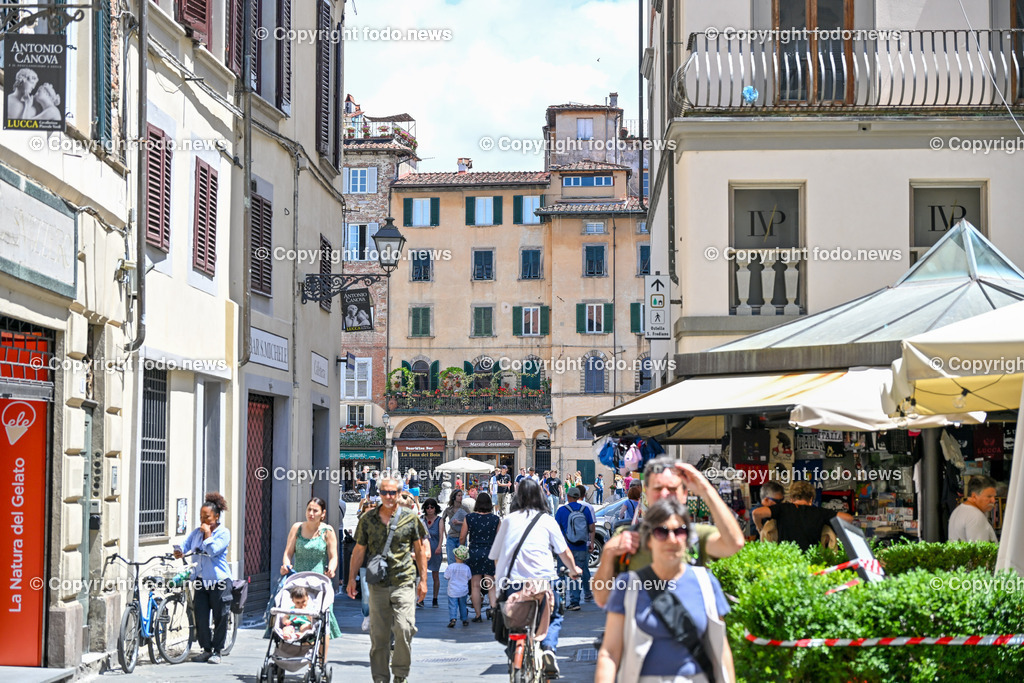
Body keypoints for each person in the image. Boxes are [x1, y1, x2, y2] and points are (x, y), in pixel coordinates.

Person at [596, 498, 735, 683]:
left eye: (679, 531)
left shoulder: (706, 583)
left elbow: (721, 648)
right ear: (649, 540)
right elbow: (610, 653)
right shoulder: (627, 586)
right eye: (662, 532)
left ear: (687, 538)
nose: (671, 539)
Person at [594, 458, 745, 608]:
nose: (665, 495)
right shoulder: (626, 537)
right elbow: (602, 598)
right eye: (658, 489)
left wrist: (706, 490)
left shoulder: (696, 536)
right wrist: (608, 554)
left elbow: (734, 543)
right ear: (646, 493)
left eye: (672, 489)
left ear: (684, 494)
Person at [490, 478, 583, 678]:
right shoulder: (547, 520)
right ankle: (548, 648)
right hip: (543, 582)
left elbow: (497, 557)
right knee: (556, 614)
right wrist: (574, 569)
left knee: (513, 619)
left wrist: (498, 585)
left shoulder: (507, 521)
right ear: (541, 496)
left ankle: (516, 650)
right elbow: (563, 551)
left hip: (514, 584)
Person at [347, 476, 428, 683]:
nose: (389, 496)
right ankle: (381, 678)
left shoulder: (410, 518)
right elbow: (358, 551)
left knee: (404, 628)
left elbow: (420, 550)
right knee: (379, 637)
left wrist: (423, 581)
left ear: (399, 494)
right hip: (379, 584)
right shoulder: (368, 519)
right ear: (379, 494)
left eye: (393, 493)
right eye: (384, 492)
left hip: (404, 581)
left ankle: (400, 675)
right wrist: (351, 579)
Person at [280, 497, 342, 651]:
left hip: (319, 582)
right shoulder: (297, 528)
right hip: (298, 579)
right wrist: (286, 565)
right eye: (309, 509)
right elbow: (288, 552)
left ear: (323, 513)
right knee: (292, 616)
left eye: (315, 511)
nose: (311, 513)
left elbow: (333, 556)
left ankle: (321, 661)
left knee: (322, 621)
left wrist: (332, 569)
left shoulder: (327, 531)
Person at [176, 492, 231, 664]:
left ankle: (217, 651)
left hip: (219, 581)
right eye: (201, 517)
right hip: (200, 580)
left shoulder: (223, 533)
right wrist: (179, 552)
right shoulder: (196, 533)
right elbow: (186, 546)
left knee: (220, 616)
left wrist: (207, 535)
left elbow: (213, 551)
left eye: (207, 517)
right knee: (200, 615)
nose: (203, 520)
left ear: (216, 516)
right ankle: (206, 649)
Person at [752, 480, 854, 551]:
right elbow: (849, 519)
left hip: (786, 562)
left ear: (792, 498)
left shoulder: (782, 508)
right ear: (811, 499)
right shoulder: (821, 512)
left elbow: (756, 513)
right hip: (811, 563)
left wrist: (759, 527)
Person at [460, 491, 500, 621]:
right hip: (490, 552)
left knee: (475, 585)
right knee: (491, 585)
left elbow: (462, 537)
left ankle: (478, 615)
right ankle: (493, 610)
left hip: (474, 552)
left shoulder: (469, 518)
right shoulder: (495, 519)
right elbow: (500, 539)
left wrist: (462, 547)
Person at [555, 487, 596, 609]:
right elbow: (592, 528)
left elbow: (555, 530)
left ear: (568, 496)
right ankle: (575, 602)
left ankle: (561, 600)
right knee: (576, 574)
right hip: (581, 546)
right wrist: (591, 543)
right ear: (578, 497)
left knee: (561, 574)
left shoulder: (561, 510)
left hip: (564, 547)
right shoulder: (585, 510)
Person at [948, 475, 999, 542]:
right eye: (989, 496)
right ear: (974, 496)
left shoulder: (958, 510)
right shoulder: (975, 516)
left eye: (994, 496)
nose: (993, 500)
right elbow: (980, 550)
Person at [421, 498, 444, 607]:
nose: (430, 509)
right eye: (427, 507)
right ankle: (421, 598)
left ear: (435, 508)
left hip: (435, 549)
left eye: (432, 507)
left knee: (435, 575)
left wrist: (439, 547)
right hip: (423, 550)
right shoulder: (421, 519)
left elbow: (441, 535)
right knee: (422, 575)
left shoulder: (439, 520)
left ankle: (435, 598)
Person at [445, 545, 472, 628]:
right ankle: (464, 619)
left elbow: (446, 576)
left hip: (452, 590)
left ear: (455, 556)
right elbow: (469, 577)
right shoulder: (467, 568)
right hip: (463, 590)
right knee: (463, 605)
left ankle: (453, 619)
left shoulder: (451, 567)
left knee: (453, 605)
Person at [443, 489, 468, 565]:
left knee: (462, 561)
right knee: (451, 561)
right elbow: (442, 520)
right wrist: (445, 533)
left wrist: (459, 522)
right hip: (451, 536)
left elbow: (470, 521)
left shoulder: (465, 509)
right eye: (459, 495)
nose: (461, 497)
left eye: (461, 495)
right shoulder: (448, 510)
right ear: (454, 497)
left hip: (462, 537)